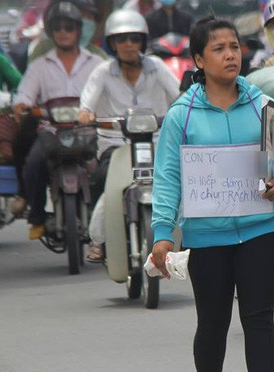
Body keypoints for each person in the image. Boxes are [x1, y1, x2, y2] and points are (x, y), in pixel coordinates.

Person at [150, 15, 274, 372]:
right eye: (219, 48)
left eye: (235, 46)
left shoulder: (262, 106)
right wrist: (163, 234)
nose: (230, 54)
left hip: (260, 229)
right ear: (199, 59)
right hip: (207, 237)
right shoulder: (181, 117)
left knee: (258, 319)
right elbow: (167, 179)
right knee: (213, 324)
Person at [78, 9, 180, 262]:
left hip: (157, 143)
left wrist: (184, 112)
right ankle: (98, 240)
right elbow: (87, 103)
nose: (129, 45)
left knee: (180, 178)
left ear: (143, 41)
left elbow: (180, 96)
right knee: (102, 178)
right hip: (116, 146)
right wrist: (86, 114)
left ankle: (186, 233)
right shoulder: (102, 72)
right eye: (121, 39)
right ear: (111, 44)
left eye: (134, 39)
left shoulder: (156, 67)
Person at [12, 0, 103, 239]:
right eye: (58, 27)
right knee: (33, 163)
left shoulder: (97, 64)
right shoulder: (40, 65)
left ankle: (106, 216)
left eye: (69, 27)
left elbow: (109, 91)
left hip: (88, 130)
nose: (63, 32)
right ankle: (38, 215)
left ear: (78, 30)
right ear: (51, 32)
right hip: (51, 130)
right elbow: (24, 93)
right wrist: (22, 103)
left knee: (105, 166)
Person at [28, 0, 108, 63]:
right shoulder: (43, 50)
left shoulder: (98, 55)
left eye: (89, 17)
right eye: (81, 15)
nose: (85, 22)